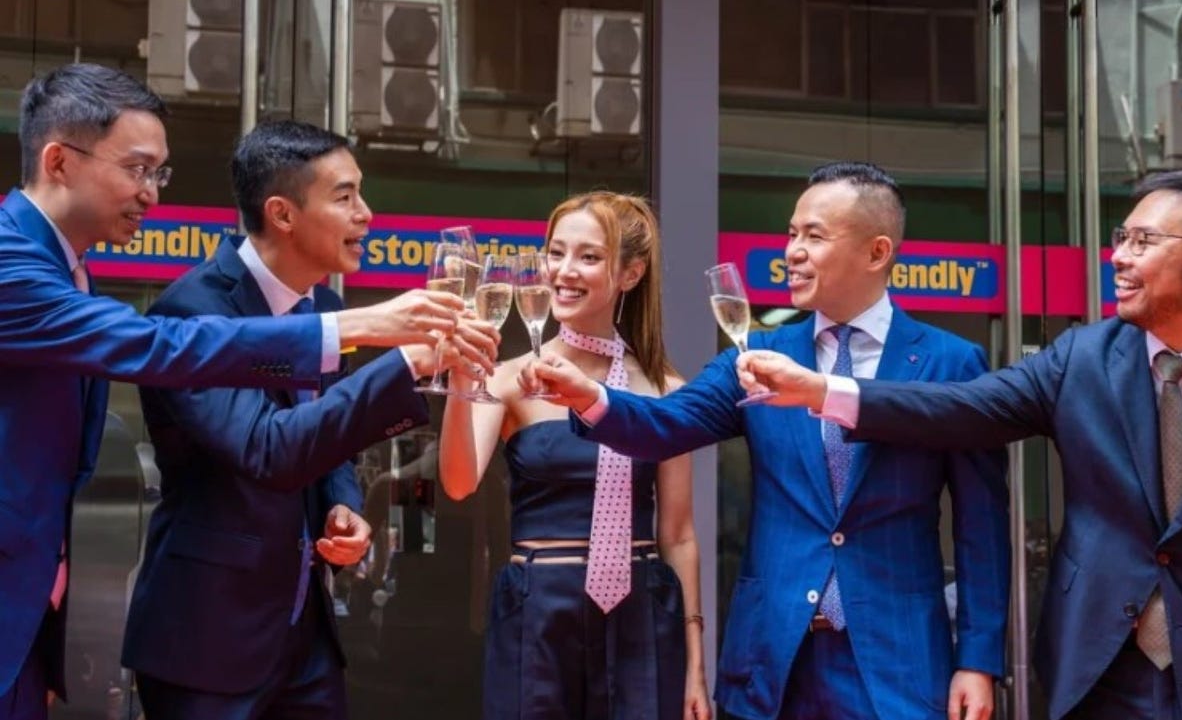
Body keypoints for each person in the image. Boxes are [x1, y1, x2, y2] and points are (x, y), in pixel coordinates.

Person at [0, 63, 461, 718]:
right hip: (197, 637)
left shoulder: (71, 273)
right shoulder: (13, 266)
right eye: (137, 168)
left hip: (34, 619)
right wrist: (366, 329)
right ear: (59, 160)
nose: (152, 193)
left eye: (159, 173)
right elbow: (172, 354)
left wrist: (342, 499)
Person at [736, 165, 1182, 720]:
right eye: (1122, 238)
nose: (1120, 257)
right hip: (1098, 673)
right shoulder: (1081, 360)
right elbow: (960, 407)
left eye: (1145, 241)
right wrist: (823, 390)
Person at [524, 164, 1010, 720]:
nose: (793, 251)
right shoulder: (756, 356)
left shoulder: (951, 363)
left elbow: (982, 529)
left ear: (877, 253)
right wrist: (590, 396)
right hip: (772, 663)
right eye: (791, 233)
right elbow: (665, 425)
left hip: (897, 667)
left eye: (814, 235)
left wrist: (978, 660)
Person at [119, 120, 498, 720]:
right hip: (208, 639)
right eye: (344, 196)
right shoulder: (192, 312)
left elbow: (326, 437)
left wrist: (341, 502)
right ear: (283, 213)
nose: (365, 214)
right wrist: (400, 365)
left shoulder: (323, 305)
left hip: (307, 640)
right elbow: (268, 448)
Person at [439, 191, 712, 720]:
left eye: (588, 256)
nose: (564, 270)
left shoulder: (665, 388)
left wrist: (696, 664)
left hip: (642, 607)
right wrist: (458, 380)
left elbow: (678, 534)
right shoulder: (511, 379)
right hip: (540, 604)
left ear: (630, 274)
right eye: (555, 252)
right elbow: (457, 481)